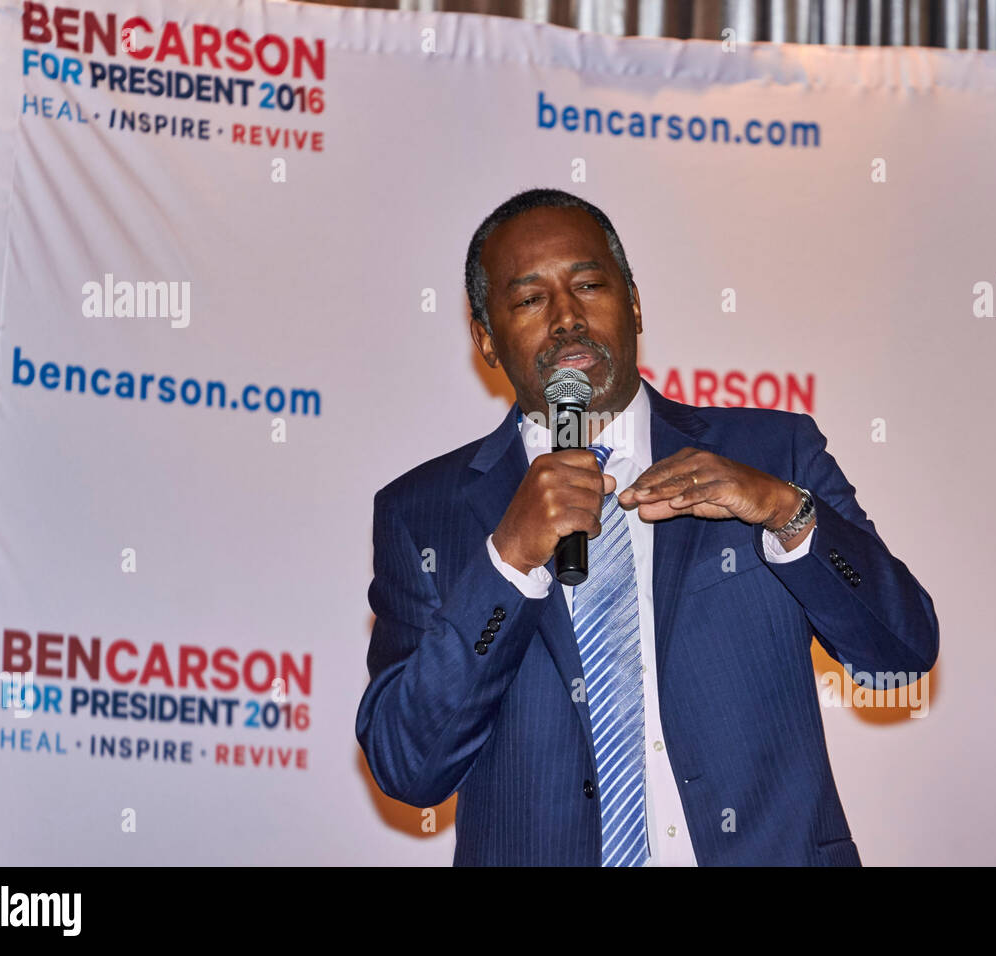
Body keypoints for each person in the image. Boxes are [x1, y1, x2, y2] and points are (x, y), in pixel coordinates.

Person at [356, 188, 939, 866]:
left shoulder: (772, 455)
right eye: (529, 299)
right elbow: (408, 767)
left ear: (634, 303)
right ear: (487, 339)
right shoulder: (424, 512)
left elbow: (901, 653)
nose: (568, 317)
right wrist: (508, 562)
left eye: (588, 285)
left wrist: (786, 512)